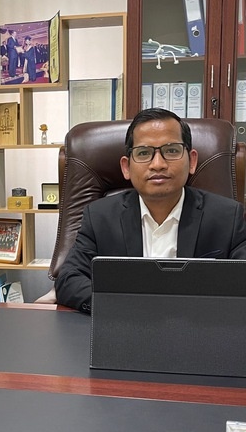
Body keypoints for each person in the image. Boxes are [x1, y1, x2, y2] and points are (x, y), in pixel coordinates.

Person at [56, 107, 246, 314]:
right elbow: (69, 279)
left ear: (192, 161)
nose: (158, 164)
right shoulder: (100, 217)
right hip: (125, 324)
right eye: (144, 153)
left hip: (198, 325)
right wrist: (124, 308)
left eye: (171, 150)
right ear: (126, 167)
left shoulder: (227, 217)